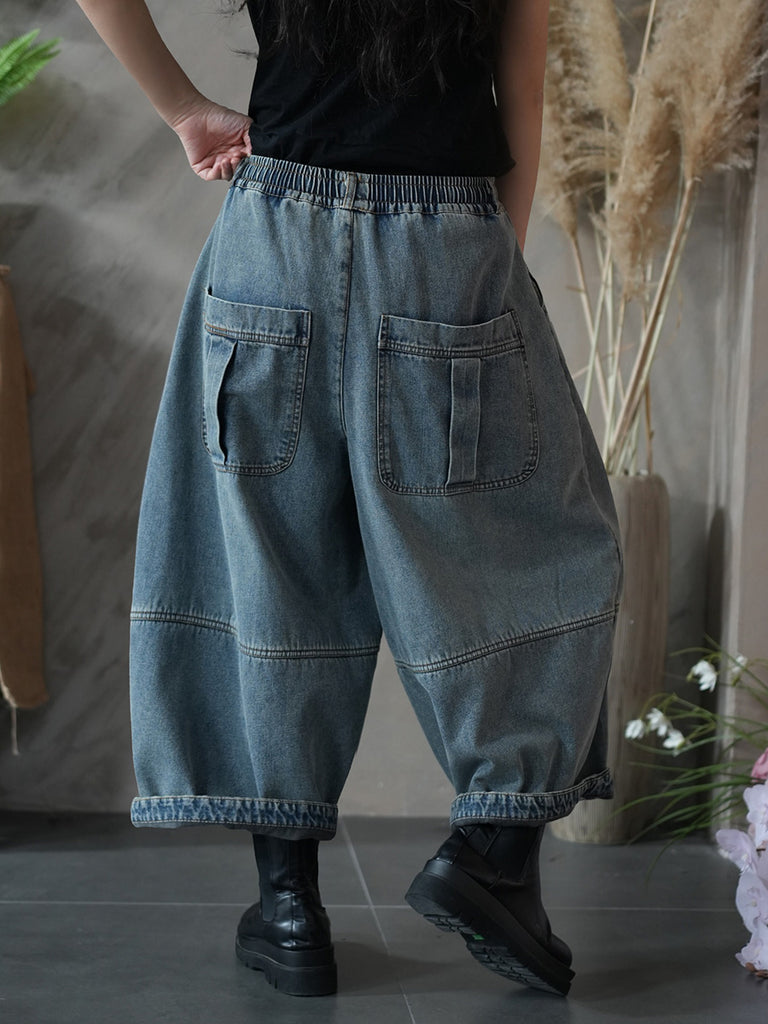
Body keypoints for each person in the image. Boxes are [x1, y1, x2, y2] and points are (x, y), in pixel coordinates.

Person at [74, 0, 622, 1000]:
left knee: (270, 565)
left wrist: (186, 110)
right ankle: (495, 852)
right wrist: (489, 258)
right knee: (542, 549)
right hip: (444, 238)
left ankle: (290, 908)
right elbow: (523, 83)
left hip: (271, 236)